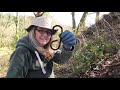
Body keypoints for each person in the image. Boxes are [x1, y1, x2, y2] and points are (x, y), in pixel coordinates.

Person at [6, 16, 76, 78]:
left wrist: (67, 48)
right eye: (41, 31)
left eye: (48, 32)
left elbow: (62, 60)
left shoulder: (48, 49)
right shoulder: (22, 52)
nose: (45, 35)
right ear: (33, 32)